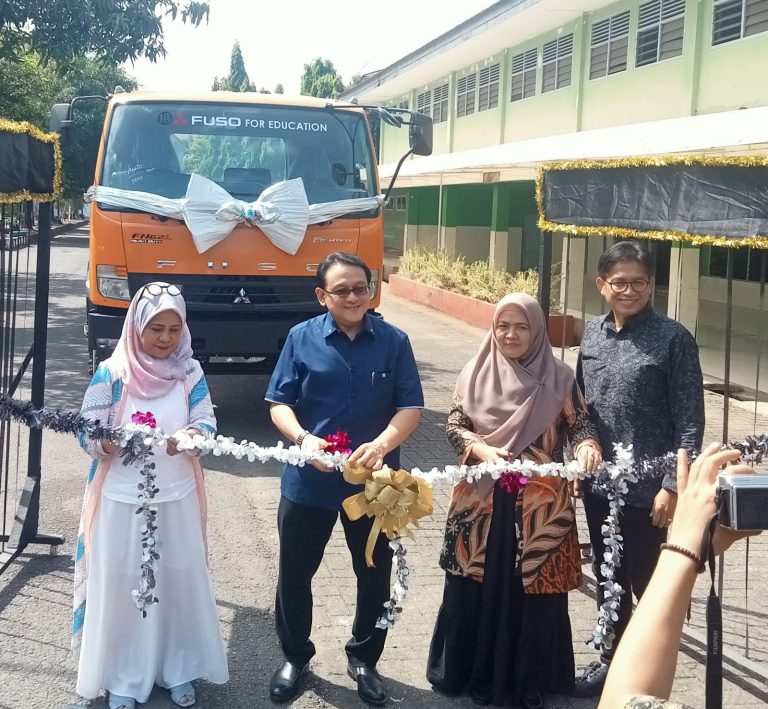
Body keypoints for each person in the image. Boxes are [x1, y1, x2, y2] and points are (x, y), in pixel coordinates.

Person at [426, 293, 603, 709]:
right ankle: (468, 672)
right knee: (476, 583)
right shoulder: (473, 372)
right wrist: (482, 450)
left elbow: (580, 425)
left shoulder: (560, 377)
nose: (510, 334)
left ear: (537, 330)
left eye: (521, 326)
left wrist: (587, 447)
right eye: (503, 325)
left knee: (536, 588)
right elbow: (454, 426)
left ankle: (534, 678)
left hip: (540, 504)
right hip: (481, 502)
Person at [265, 252, 423, 706]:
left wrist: (381, 444)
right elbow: (279, 402)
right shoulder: (300, 339)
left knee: (373, 575)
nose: (353, 297)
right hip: (308, 483)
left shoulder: (395, 341)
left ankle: (364, 660)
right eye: (341, 290)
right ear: (322, 296)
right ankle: (295, 657)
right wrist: (302, 439)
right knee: (295, 573)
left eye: (360, 288)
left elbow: (409, 407)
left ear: (372, 290)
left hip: (376, 487)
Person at [73, 283, 228, 709]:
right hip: (121, 502)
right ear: (136, 327)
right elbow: (87, 428)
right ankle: (123, 675)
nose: (165, 339)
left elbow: (206, 419)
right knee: (123, 586)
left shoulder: (190, 372)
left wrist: (192, 437)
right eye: (155, 328)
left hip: (176, 499)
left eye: (173, 329)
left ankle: (177, 668)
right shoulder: (113, 372)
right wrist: (107, 442)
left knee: (176, 583)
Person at [574, 241, 705, 698]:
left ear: (652, 285)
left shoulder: (673, 339)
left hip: (651, 493)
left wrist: (672, 486)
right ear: (601, 285)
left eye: (639, 282)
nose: (629, 290)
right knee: (609, 578)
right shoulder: (590, 334)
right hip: (600, 486)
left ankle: (650, 678)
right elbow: (581, 406)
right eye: (619, 282)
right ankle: (610, 661)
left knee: (651, 586)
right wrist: (585, 439)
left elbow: (690, 421)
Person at [599, 443, 760, 708]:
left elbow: (623, 699)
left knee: (641, 573)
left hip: (648, 497)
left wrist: (682, 547)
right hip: (616, 487)